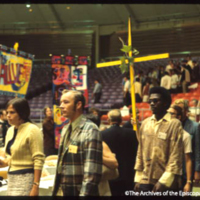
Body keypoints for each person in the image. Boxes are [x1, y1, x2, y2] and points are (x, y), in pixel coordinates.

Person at [52, 90, 102, 196]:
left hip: (79, 192)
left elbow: (91, 172)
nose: (61, 106)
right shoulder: (65, 128)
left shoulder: (90, 129)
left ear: (78, 104)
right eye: (60, 102)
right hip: (64, 190)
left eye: (66, 102)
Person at [134, 86, 183, 193]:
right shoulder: (145, 123)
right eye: (150, 101)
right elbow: (140, 151)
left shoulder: (174, 124)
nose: (152, 104)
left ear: (165, 103)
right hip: (145, 180)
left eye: (155, 101)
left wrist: (164, 181)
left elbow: (176, 154)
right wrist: (138, 178)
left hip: (165, 181)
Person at [0, 98, 45, 196]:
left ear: (22, 113)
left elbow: (38, 159)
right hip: (11, 178)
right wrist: (3, 162)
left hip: (26, 177)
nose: (8, 115)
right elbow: (12, 158)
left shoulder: (33, 130)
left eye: (12, 112)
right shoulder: (10, 130)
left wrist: (35, 186)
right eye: (7, 112)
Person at [101, 109, 138, 196]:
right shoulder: (132, 133)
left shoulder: (101, 134)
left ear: (108, 120)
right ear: (121, 120)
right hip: (129, 174)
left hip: (112, 175)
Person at [174, 99, 200, 185]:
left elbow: (197, 151)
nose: (178, 112)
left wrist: (197, 170)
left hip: (188, 169)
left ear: (185, 110)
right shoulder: (170, 126)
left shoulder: (195, 127)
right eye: (176, 110)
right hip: (173, 169)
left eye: (180, 109)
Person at [167, 105, 192, 192]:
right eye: (167, 113)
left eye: (172, 113)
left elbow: (188, 159)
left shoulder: (186, 136)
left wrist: (188, 182)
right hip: (162, 175)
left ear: (179, 117)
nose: (168, 115)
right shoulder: (162, 133)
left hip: (177, 177)